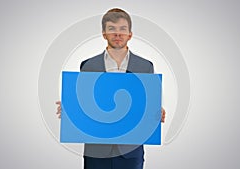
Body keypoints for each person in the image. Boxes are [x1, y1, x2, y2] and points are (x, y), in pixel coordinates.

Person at [56, 8, 166, 169]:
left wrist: (156, 111)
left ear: (130, 34)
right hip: (96, 149)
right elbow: (85, 102)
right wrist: (70, 109)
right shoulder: (89, 66)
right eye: (112, 29)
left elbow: (146, 103)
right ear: (104, 34)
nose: (117, 34)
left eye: (123, 29)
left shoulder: (145, 66)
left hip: (130, 150)